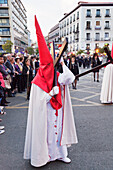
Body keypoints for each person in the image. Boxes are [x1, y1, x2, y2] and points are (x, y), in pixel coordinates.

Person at [24, 16, 78, 167]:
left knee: (58, 130)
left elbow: (70, 78)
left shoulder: (56, 74)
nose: (49, 69)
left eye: (51, 65)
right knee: (46, 134)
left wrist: (61, 62)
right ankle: (44, 156)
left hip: (57, 110)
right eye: (46, 66)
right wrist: (49, 95)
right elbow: (37, 102)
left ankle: (61, 154)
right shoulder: (37, 82)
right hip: (45, 112)